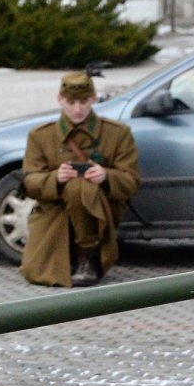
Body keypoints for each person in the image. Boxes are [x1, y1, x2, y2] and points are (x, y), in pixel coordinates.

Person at [19, 71, 140, 287]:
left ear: (93, 99)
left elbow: (131, 181)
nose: (77, 109)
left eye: (84, 101)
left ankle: (88, 257)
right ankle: (78, 256)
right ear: (60, 100)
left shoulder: (117, 134)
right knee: (34, 271)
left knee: (81, 187)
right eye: (71, 102)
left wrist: (105, 176)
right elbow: (29, 182)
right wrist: (56, 178)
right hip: (56, 209)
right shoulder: (41, 136)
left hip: (100, 211)